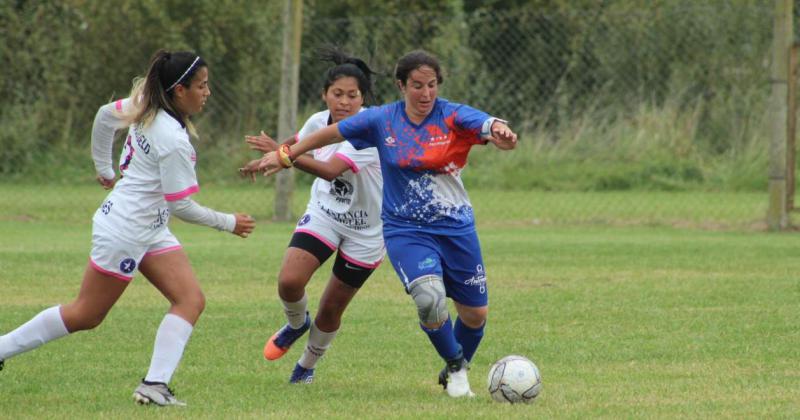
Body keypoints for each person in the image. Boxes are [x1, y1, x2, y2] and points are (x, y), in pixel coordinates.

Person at [254, 49, 518, 398]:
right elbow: (330, 134)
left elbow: (483, 122)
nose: (425, 94)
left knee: (474, 315)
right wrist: (285, 153)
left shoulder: (451, 115)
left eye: (432, 85)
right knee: (429, 298)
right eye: (417, 86)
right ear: (401, 85)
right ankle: (456, 368)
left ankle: (456, 365)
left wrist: (499, 129)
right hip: (404, 228)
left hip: (452, 227)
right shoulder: (382, 120)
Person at [0, 49, 255, 406]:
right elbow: (180, 205)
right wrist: (229, 222)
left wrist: (105, 168)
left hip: (148, 228)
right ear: (179, 90)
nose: (207, 92)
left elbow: (105, 116)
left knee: (190, 300)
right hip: (125, 231)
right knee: (86, 314)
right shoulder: (172, 139)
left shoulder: (146, 101)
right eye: (202, 86)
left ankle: (154, 385)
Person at [240, 47, 383, 384]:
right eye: (338, 94)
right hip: (325, 214)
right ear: (325, 94)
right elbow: (299, 142)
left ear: (364, 100)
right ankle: (295, 323)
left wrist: (282, 153)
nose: (344, 102)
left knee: (331, 310)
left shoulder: (369, 131)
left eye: (352, 96)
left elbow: (331, 170)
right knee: (289, 281)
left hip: (367, 230)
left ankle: (305, 367)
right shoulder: (319, 120)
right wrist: (272, 156)